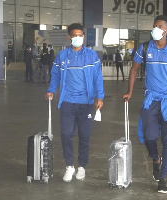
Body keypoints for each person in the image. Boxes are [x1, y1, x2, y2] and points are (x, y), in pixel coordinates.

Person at [122, 15, 167, 194]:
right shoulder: (144, 48)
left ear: (166, 30)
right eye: (154, 26)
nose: (155, 29)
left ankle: (163, 178)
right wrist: (130, 91)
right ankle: (155, 159)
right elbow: (134, 69)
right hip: (151, 99)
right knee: (148, 136)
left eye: (159, 26)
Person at [45, 23, 104, 183]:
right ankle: (69, 166)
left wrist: (100, 96)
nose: (77, 38)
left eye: (80, 35)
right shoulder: (62, 56)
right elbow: (55, 75)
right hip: (67, 102)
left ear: (83, 36)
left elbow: (98, 77)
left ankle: (82, 167)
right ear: (69, 37)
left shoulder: (91, 56)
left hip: (86, 103)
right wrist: (51, 89)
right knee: (66, 134)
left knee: (85, 136)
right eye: (74, 35)